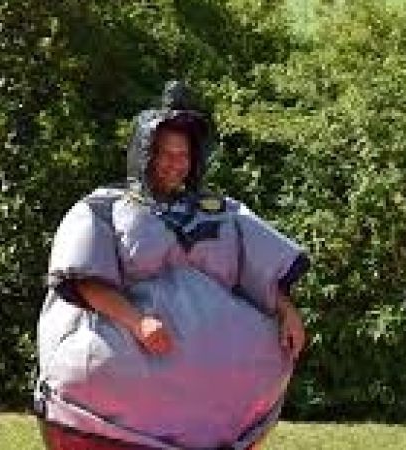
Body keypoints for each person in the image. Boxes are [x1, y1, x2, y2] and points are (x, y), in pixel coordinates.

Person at [34, 81, 309, 450]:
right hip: (125, 380)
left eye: (183, 155)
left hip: (221, 400)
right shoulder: (104, 208)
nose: (174, 164)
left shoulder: (224, 211)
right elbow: (85, 281)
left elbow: (260, 270)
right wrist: (138, 322)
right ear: (144, 153)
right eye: (164, 153)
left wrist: (288, 311)